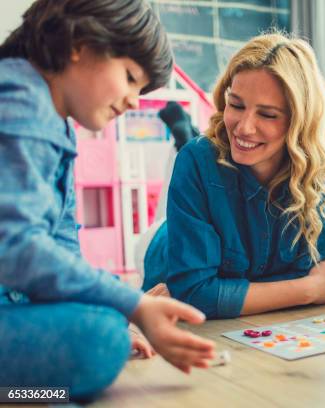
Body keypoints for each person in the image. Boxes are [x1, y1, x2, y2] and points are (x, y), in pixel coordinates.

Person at [0, 0, 215, 400]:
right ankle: (23, 393)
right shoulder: (21, 99)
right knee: (100, 340)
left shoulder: (56, 124)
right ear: (78, 43)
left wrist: (122, 307)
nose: (135, 100)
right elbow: (14, 246)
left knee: (107, 324)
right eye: (131, 77)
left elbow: (62, 244)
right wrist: (130, 302)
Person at [139, 32, 325, 319]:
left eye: (268, 115)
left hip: (210, 230)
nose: (244, 127)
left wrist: (216, 292)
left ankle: (182, 132)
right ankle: (182, 135)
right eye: (236, 105)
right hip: (159, 244)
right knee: (186, 156)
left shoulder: (320, 173)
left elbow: (321, 275)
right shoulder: (197, 160)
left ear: (300, 121)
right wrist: (306, 289)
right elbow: (195, 295)